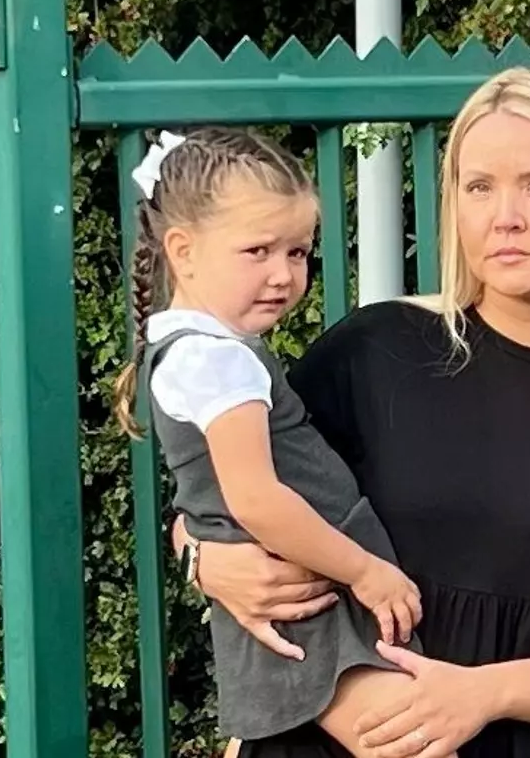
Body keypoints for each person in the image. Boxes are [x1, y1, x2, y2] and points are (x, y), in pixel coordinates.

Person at [175, 67, 530, 757]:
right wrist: (204, 561)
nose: (504, 215)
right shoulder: (374, 353)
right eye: (478, 186)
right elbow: (223, 502)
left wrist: (485, 692)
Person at [110, 126, 451, 757]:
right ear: (182, 251)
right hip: (313, 603)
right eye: (258, 250)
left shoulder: (199, 351)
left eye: (296, 252)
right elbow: (257, 502)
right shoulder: (218, 361)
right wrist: (367, 572)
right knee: (418, 746)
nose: (283, 274)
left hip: (305, 595)